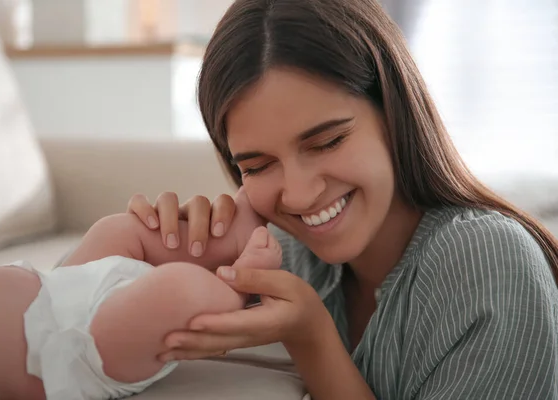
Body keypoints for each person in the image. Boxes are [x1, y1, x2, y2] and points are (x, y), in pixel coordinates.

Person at [126, 0, 558, 399]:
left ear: (394, 112)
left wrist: (311, 340)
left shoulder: (488, 263)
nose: (297, 194)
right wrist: (150, 258)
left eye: (327, 142)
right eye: (257, 166)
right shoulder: (287, 258)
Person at [0, 189, 280, 400]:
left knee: (119, 232)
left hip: (62, 291)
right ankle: (236, 281)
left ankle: (234, 251)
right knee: (173, 285)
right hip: (77, 345)